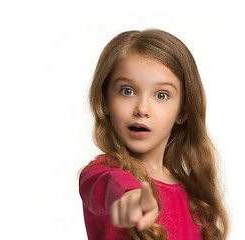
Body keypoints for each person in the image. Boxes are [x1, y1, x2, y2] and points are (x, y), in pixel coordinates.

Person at [79, 29, 228, 240]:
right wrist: (131, 195)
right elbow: (110, 184)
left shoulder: (194, 197)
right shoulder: (101, 173)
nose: (142, 108)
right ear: (105, 102)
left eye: (161, 95)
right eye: (127, 91)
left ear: (183, 111)